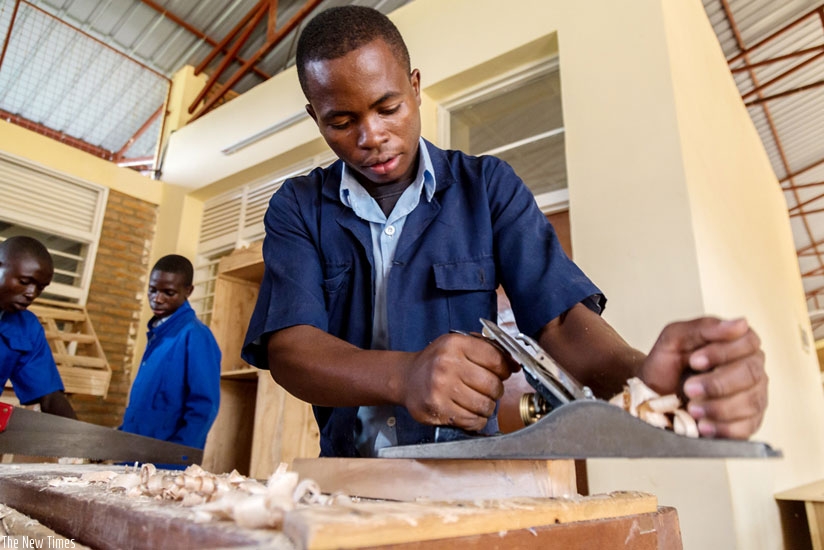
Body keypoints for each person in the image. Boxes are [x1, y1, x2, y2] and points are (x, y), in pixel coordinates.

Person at [242, 6, 768, 458]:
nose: (371, 136)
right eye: (341, 122)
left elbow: (560, 322)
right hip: (345, 474)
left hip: (471, 471)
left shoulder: (488, 187)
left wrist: (641, 382)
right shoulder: (298, 206)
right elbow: (292, 349)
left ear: (416, 87)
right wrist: (404, 376)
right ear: (315, 117)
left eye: (388, 107)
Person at [120, 254, 220, 450]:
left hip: (165, 465)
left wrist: (177, 459)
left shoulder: (196, 336)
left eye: (168, 292)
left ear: (188, 291)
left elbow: (203, 407)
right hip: (134, 457)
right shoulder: (158, 334)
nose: (157, 298)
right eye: (152, 290)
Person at [0, 236, 76, 419]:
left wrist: (81, 438)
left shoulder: (27, 328)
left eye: (40, 288)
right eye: (25, 282)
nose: (31, 294)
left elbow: (48, 396)